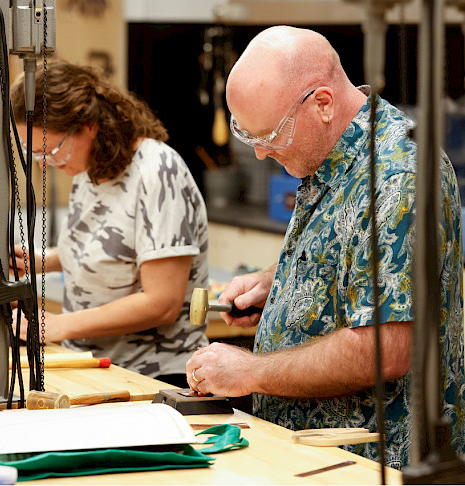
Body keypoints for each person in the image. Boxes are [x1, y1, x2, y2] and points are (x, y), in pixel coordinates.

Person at [185, 25, 465, 469]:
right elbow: (348, 262)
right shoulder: (326, 152)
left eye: (269, 135)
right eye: (249, 137)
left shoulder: (396, 177)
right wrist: (275, 286)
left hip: (370, 461)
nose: (260, 155)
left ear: (322, 104)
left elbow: (385, 347)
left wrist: (250, 372)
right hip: (307, 451)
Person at [10, 59, 209, 388]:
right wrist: (43, 261)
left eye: (52, 151)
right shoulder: (90, 168)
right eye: (37, 156)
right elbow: (111, 247)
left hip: (153, 376)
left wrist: (58, 325)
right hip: (96, 367)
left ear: (88, 126)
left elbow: (162, 303)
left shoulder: (157, 171)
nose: (46, 165)